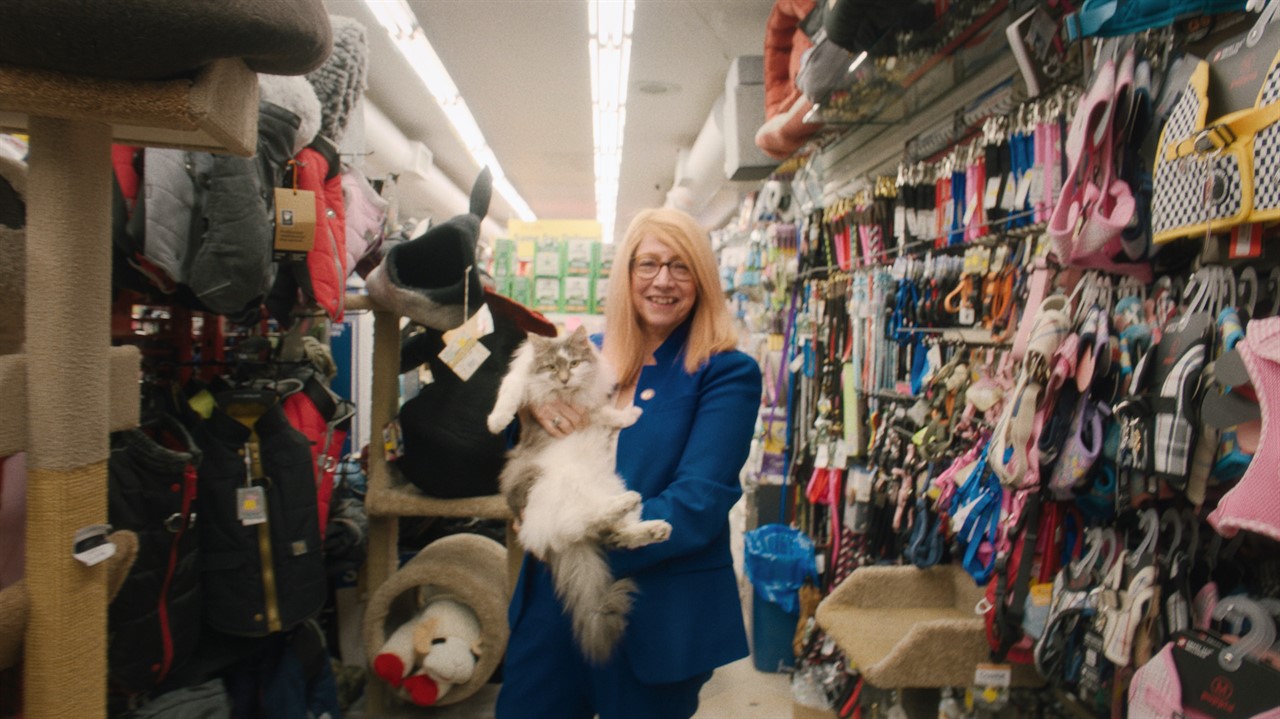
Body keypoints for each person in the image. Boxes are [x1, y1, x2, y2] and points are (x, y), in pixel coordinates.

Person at [495, 207, 763, 718]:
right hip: (553, 602)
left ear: (702, 279)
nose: (663, 280)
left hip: (654, 609)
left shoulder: (726, 372)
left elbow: (698, 499)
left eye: (681, 266)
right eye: (649, 264)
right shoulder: (588, 353)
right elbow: (524, 440)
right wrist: (532, 408)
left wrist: (578, 539)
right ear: (627, 275)